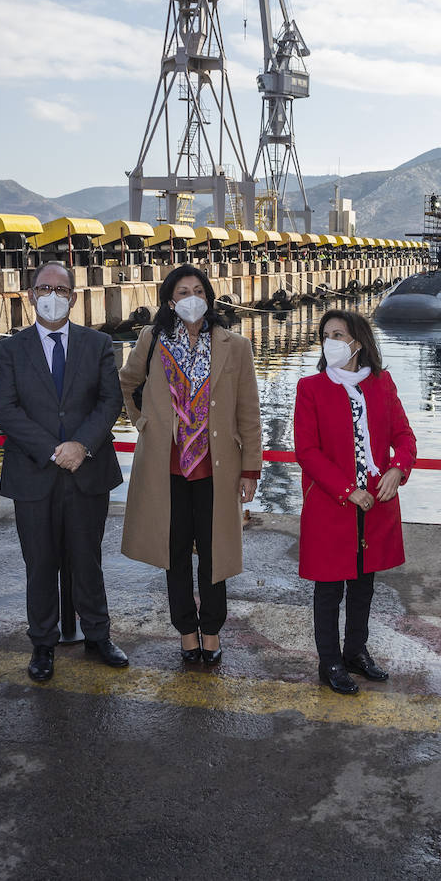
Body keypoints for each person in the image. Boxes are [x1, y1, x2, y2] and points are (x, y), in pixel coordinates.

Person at [0, 262, 130, 682]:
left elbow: (110, 403)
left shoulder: (98, 343)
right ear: (30, 295)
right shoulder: (11, 349)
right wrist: (54, 451)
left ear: (73, 296)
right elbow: (5, 410)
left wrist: (81, 445)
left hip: (87, 471)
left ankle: (98, 635)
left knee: (87, 559)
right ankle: (43, 643)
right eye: (43, 287)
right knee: (40, 562)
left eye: (61, 288)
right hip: (35, 472)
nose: (52, 294)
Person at [119, 265, 262, 665]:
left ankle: (212, 630)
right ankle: (186, 630)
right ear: (170, 300)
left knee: (216, 555)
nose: (191, 297)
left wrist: (251, 468)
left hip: (218, 468)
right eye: (182, 291)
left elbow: (249, 411)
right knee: (175, 552)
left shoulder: (236, 345)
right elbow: (127, 383)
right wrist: (142, 421)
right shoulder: (152, 339)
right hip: (166, 470)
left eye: (198, 290)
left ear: (209, 297)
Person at [295, 310, 417, 694]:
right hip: (332, 504)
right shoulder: (310, 387)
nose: (330, 340)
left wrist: (398, 470)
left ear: (358, 343)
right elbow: (308, 451)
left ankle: (355, 651)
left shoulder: (383, 385)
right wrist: (348, 489)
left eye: (338, 334)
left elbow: (405, 436)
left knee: (365, 582)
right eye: (325, 334)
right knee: (329, 588)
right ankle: (329, 661)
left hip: (377, 503)